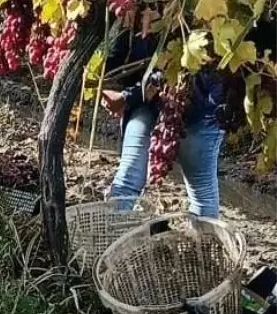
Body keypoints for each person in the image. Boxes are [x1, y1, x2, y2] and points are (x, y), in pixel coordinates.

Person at [101, 15, 276, 218]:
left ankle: (110, 239)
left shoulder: (202, 12)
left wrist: (126, 97)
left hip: (198, 112)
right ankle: (112, 241)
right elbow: (121, 58)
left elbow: (169, 73)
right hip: (160, 107)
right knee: (133, 183)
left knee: (132, 183)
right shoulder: (145, 4)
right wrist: (109, 86)